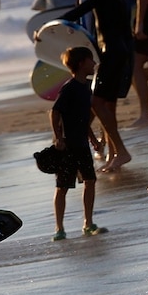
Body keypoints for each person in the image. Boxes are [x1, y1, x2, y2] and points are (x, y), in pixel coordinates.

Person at [56, 0, 132, 171]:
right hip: (117, 50)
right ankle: (114, 155)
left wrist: (53, 25)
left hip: (112, 51)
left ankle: (121, 151)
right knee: (107, 105)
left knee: (96, 102)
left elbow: (81, 11)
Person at [49, 46, 104, 241]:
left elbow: (82, 119)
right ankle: (59, 228)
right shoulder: (70, 87)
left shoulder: (86, 86)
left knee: (90, 181)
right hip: (67, 146)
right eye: (91, 61)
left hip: (81, 143)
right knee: (62, 186)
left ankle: (88, 223)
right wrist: (58, 138)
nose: (94, 64)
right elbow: (55, 112)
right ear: (81, 64)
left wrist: (93, 140)